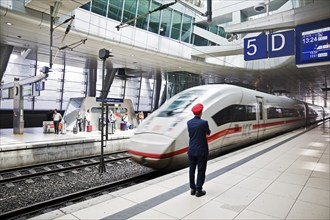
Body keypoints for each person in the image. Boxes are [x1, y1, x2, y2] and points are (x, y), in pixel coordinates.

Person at [187, 103, 211, 197]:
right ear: (201, 112)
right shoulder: (204, 123)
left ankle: (192, 189)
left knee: (192, 169)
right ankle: (198, 190)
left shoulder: (189, 123)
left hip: (191, 150)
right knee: (201, 170)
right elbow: (208, 132)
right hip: (201, 151)